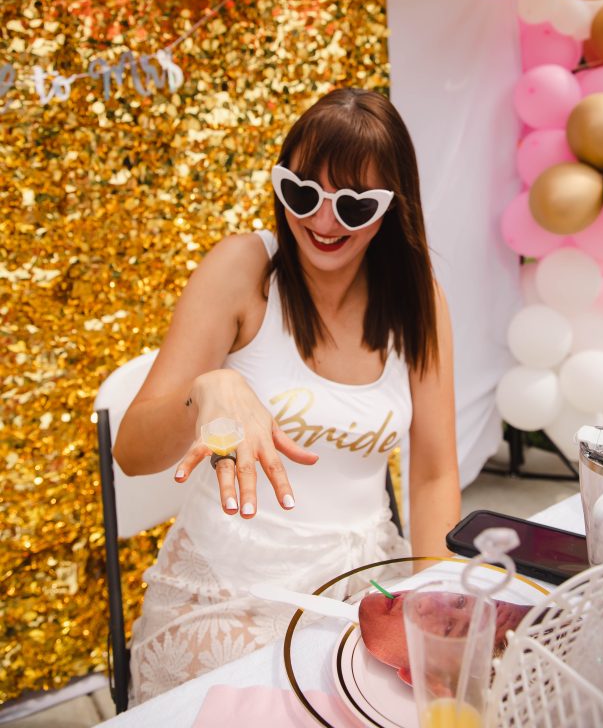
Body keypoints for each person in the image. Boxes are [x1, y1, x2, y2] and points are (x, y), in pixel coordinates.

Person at [114, 87, 460, 703]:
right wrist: (210, 389)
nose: (323, 222)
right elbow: (133, 452)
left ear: (391, 209)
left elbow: (433, 473)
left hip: (360, 594)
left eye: (353, 206)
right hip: (227, 597)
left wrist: (430, 609)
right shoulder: (245, 270)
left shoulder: (417, 302)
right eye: (302, 194)